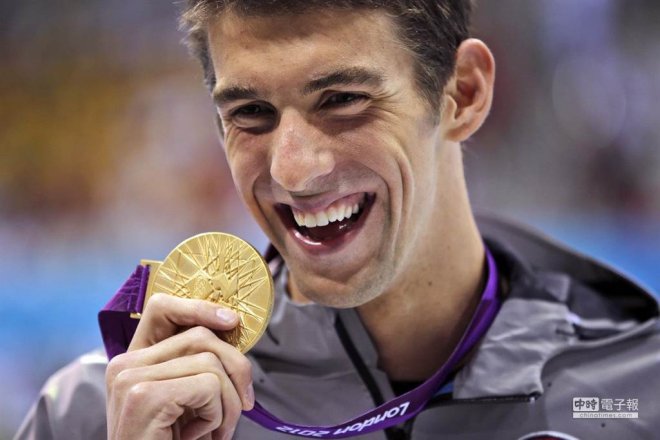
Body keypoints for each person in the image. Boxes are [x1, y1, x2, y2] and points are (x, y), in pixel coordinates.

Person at [15, 1, 660, 439]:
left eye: (343, 99)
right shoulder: (103, 414)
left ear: (463, 93)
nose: (294, 171)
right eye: (250, 114)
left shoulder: (637, 386)